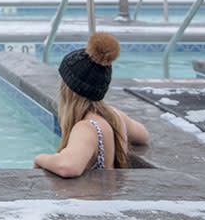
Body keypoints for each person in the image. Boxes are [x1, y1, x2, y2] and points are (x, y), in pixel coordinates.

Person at [33, 32, 150, 177]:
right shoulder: (114, 115)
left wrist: (41, 159)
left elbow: (67, 167)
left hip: (94, 198)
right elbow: (143, 135)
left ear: (68, 89)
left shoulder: (87, 127)